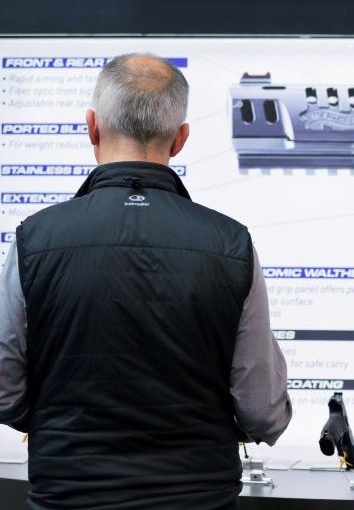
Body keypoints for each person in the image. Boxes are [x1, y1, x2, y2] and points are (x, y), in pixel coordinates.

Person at [0, 53, 291, 509]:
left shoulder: (34, 240)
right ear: (180, 139)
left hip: (69, 497)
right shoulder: (232, 244)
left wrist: (51, 418)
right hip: (199, 500)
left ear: (92, 127)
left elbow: (3, 386)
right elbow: (263, 411)